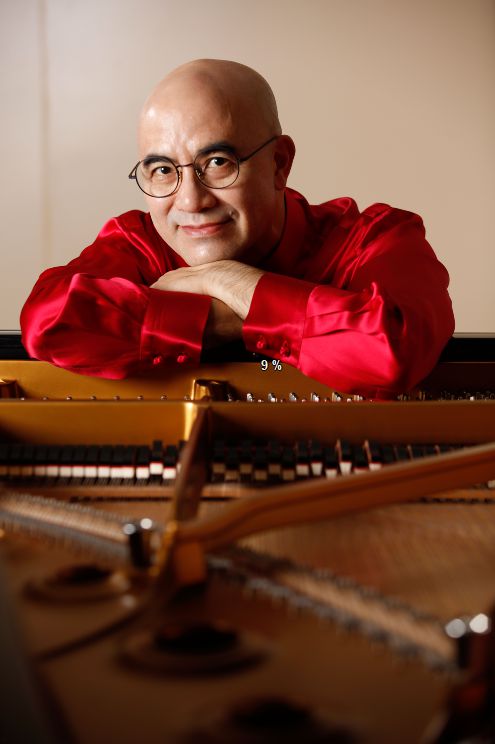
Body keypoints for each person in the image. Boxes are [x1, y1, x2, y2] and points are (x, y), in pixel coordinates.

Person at [20, 59, 454, 398]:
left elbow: (395, 347)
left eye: (217, 163)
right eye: (163, 170)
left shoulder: (376, 238)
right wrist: (235, 318)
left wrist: (226, 280)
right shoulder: (139, 241)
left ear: (279, 163)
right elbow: (48, 321)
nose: (191, 201)